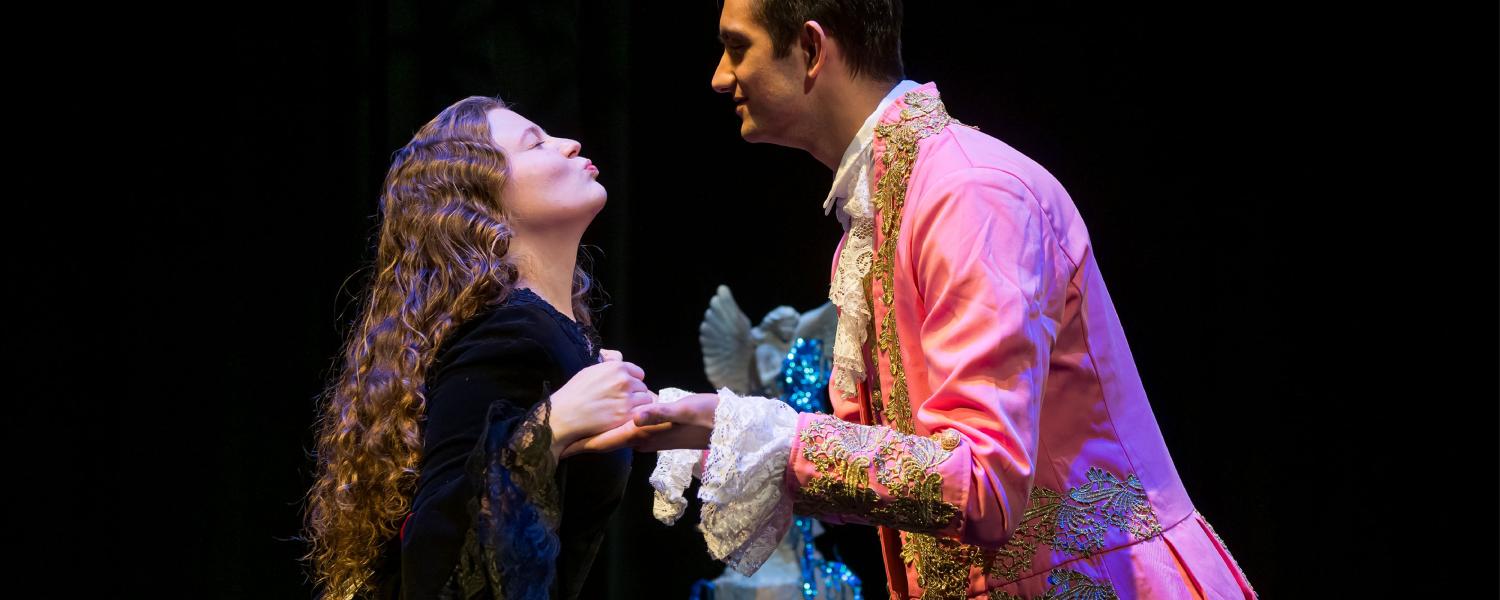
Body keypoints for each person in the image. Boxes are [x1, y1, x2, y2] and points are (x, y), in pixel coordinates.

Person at [624, 1, 1259, 598]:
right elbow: (891, 469)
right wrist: (714, 437)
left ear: (811, 49)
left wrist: (760, 435)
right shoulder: (881, 211)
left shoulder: (969, 193)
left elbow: (980, 482)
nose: (719, 76)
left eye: (738, 47)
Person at [303, 96, 655, 600]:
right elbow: (433, 565)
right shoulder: (508, 335)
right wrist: (550, 428)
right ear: (483, 198)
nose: (570, 144)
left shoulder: (547, 332)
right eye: (536, 143)